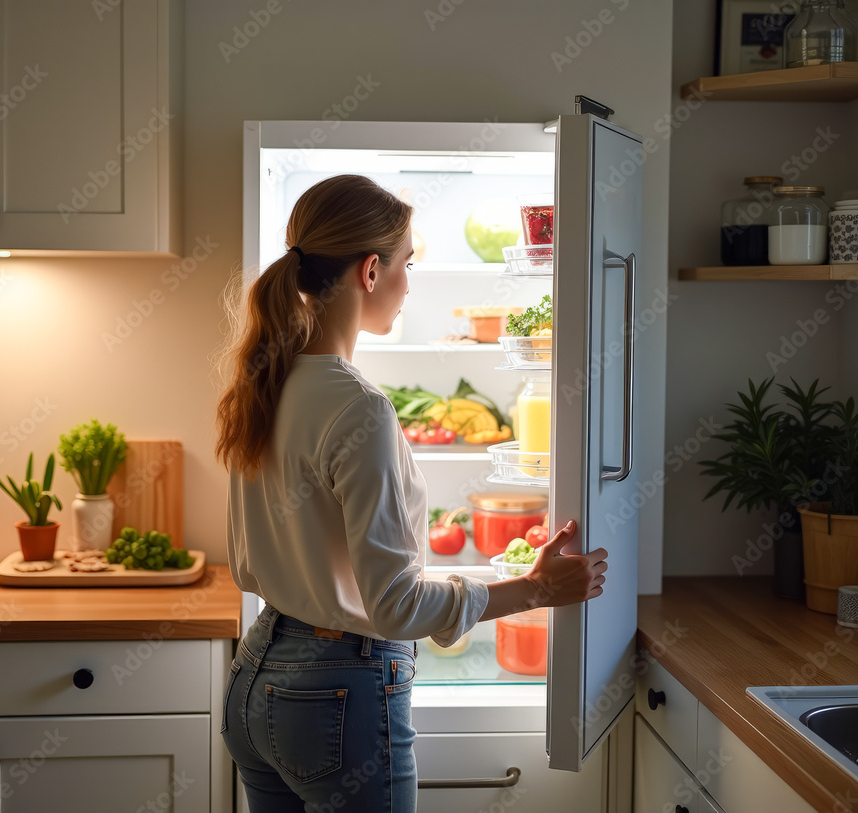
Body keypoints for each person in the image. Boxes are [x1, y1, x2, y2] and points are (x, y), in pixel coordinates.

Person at [214, 174, 608, 813]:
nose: (407, 283)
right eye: (407, 265)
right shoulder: (360, 409)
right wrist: (536, 589)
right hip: (338, 692)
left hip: (257, 675)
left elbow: (247, 565)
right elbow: (394, 607)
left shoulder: (264, 383)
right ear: (370, 271)